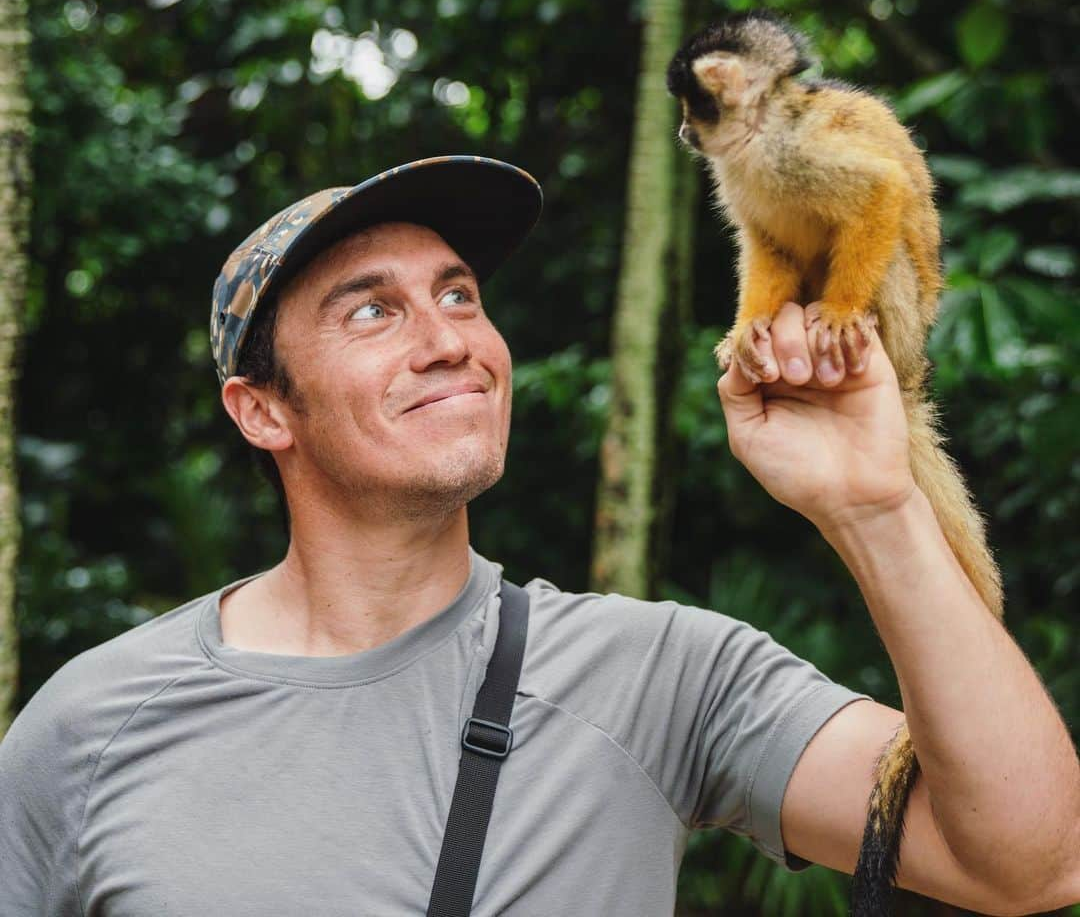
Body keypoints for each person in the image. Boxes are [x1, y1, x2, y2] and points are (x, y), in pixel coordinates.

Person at [1, 155, 1077, 916]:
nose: (449, 341)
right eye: (371, 311)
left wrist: (876, 507)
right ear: (263, 411)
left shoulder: (660, 675)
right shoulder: (90, 727)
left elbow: (1032, 863)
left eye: (460, 294)